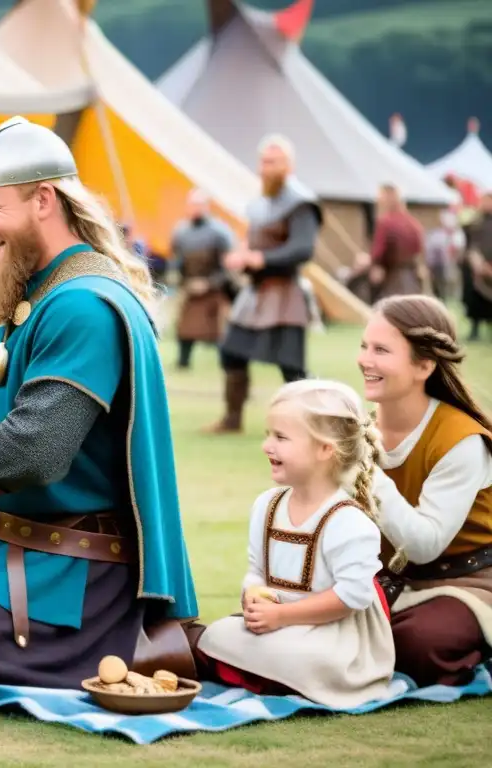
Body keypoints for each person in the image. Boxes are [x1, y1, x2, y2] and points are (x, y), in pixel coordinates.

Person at [0, 116, 199, 694]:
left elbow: (35, 449)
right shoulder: (29, 285)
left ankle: (125, 649)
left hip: (80, 556)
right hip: (10, 530)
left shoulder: (84, 305)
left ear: (44, 198)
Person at [187, 379, 395, 707]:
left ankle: (279, 674)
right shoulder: (267, 505)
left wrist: (284, 617)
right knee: (217, 635)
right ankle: (272, 672)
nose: (267, 445)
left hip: (333, 635)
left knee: (303, 656)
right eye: (268, 434)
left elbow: (351, 597)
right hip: (277, 626)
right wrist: (253, 594)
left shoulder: (349, 521)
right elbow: (257, 570)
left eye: (281, 437)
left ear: (325, 449)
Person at [359, 294, 492, 686]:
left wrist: (366, 471)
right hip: (388, 581)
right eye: (364, 346)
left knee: (415, 643)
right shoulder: (360, 430)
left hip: (469, 583)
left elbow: (424, 545)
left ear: (424, 365)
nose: (365, 359)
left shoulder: (460, 440)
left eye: (381, 350)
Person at [204, 135, 322, 434]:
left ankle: (312, 424)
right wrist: (242, 256)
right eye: (264, 162)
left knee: (292, 368)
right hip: (256, 293)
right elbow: (255, 242)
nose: (266, 168)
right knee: (231, 351)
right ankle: (232, 419)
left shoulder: (301, 203)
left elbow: (302, 249)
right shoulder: (261, 204)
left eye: (273, 162)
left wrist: (261, 258)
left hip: (286, 294)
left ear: (288, 165)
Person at [168, 189, 237, 369]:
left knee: (220, 331)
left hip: (215, 288)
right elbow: (176, 262)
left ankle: (227, 365)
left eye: (199, 205)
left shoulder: (221, 233)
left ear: (207, 207)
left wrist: (209, 283)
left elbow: (229, 266)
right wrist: (181, 281)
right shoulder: (181, 232)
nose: (195, 209)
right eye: (192, 205)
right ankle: (183, 363)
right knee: (185, 328)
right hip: (190, 287)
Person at [368, 183, 427, 301]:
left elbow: (379, 251)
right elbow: (419, 249)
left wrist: (376, 265)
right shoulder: (413, 223)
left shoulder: (385, 222)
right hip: (411, 276)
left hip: (392, 277)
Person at [461, 192, 492, 342]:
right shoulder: (475, 222)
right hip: (476, 269)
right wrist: (476, 262)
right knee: (474, 299)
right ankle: (475, 329)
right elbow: (469, 243)